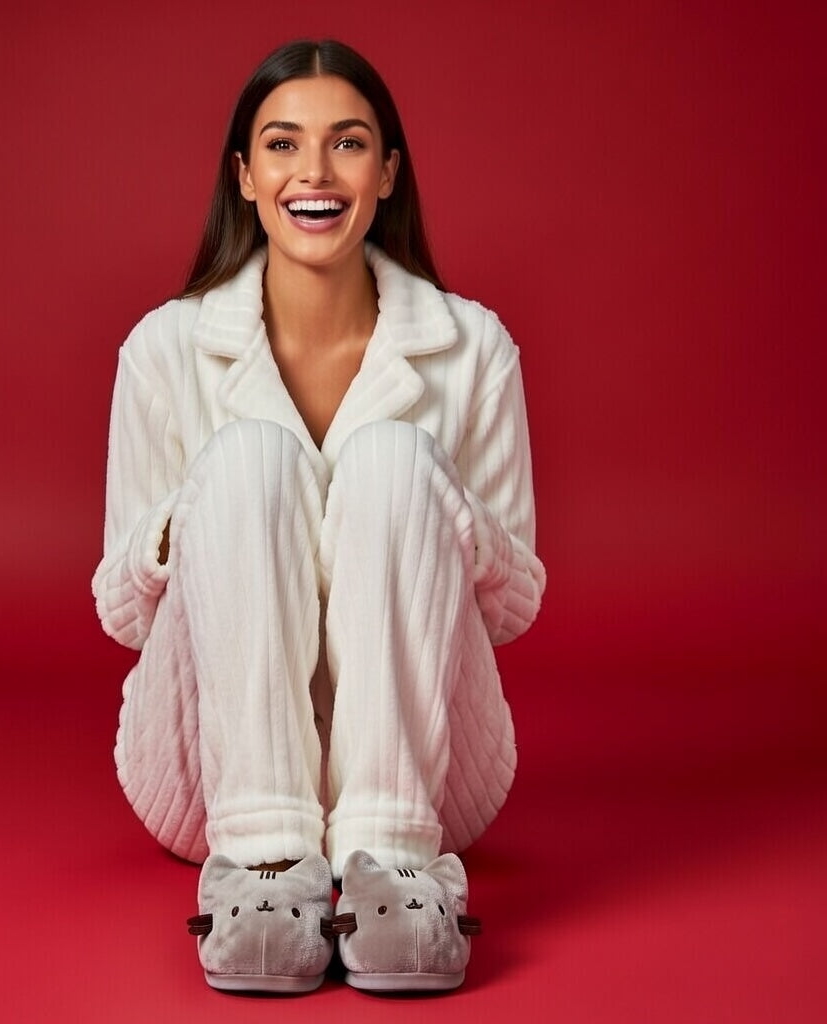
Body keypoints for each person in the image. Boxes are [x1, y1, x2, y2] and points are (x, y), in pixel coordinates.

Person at [92, 39, 546, 994]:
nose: (314, 172)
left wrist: (433, 506)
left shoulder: (474, 349)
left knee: (393, 457)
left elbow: (509, 612)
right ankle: (262, 863)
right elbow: (126, 617)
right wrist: (217, 506)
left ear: (386, 173)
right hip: (201, 776)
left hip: (435, 780)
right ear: (246, 177)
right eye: (283, 145)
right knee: (249, 455)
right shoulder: (164, 349)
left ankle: (393, 861)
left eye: (347, 144)